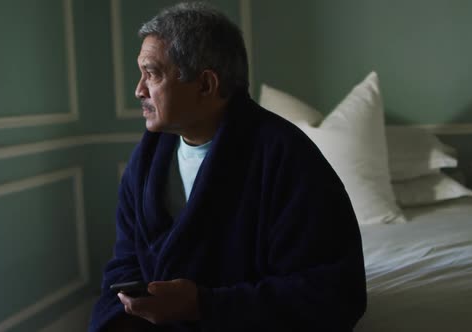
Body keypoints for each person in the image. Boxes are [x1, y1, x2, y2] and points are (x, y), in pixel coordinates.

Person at [89, 2, 366, 331]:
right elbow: (124, 265)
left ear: (206, 85)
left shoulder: (287, 158)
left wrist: (203, 305)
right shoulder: (145, 161)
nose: (139, 89)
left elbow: (335, 294)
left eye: (152, 74)